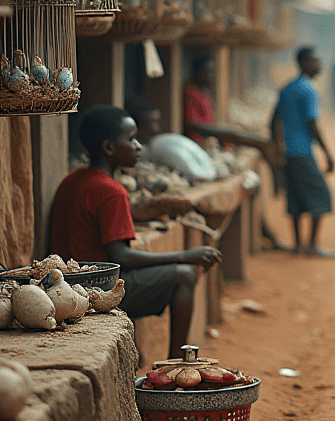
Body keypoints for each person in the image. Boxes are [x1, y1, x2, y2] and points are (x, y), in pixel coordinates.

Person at [51, 106, 221, 360]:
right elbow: (122, 258)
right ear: (109, 148)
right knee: (184, 275)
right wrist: (186, 255)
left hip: (64, 287)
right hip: (95, 291)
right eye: (131, 139)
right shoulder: (111, 191)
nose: (139, 146)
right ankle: (176, 361)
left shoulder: (72, 180)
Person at [272, 46, 335, 257]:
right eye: (314, 61)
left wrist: (278, 147)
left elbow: (273, 121)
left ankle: (299, 244)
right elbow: (313, 125)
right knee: (321, 195)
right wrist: (327, 153)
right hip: (302, 152)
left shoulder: (287, 88)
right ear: (303, 63)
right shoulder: (308, 89)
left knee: (295, 197)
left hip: (289, 153)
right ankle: (312, 245)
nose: (319, 65)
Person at [182, 56, 279, 165]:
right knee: (247, 139)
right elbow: (192, 125)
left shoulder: (205, 93)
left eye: (213, 72)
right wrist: (223, 133)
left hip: (209, 141)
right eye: (208, 72)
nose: (212, 76)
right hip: (197, 144)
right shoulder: (190, 91)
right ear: (197, 72)